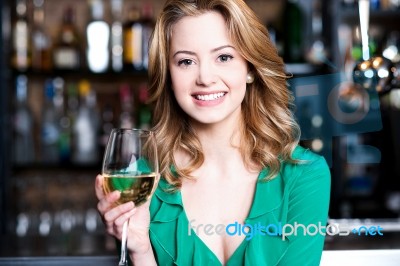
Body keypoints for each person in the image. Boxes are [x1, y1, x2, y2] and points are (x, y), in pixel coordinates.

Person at [95, 0, 331, 265]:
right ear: (169, 77)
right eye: (186, 61)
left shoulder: (305, 176)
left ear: (250, 68)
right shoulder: (141, 182)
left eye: (224, 57)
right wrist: (139, 251)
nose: (205, 77)